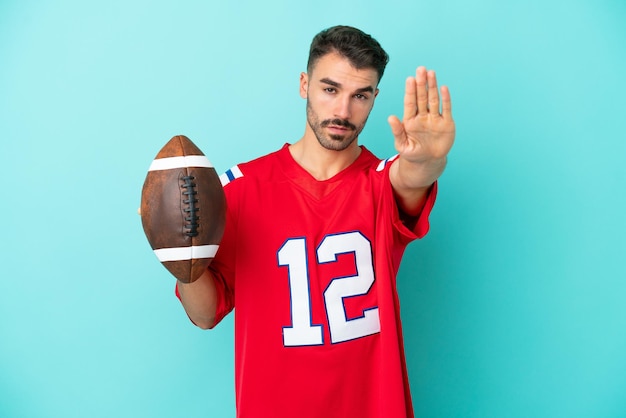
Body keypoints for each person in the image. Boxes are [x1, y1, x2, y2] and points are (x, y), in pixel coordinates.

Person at [176, 25, 455, 418]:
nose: (343, 111)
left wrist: (427, 160)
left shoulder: (379, 182)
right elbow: (205, 315)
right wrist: (179, 255)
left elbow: (410, 178)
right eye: (330, 89)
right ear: (304, 84)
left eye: (360, 95)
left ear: (375, 98)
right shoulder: (239, 189)